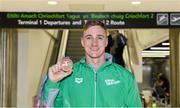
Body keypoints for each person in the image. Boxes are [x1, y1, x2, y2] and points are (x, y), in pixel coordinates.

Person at [38, 20, 142, 107]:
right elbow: (47, 105)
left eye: (100, 38)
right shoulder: (68, 76)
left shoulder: (125, 77)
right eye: (89, 37)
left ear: (106, 42)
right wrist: (52, 82)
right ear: (82, 42)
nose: (94, 43)